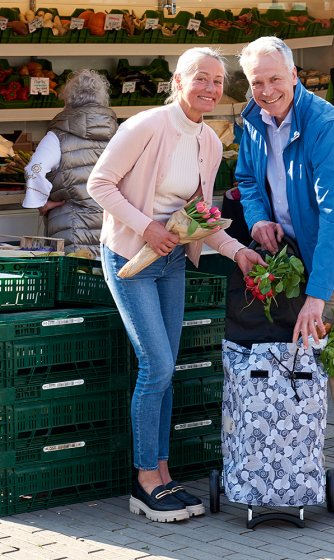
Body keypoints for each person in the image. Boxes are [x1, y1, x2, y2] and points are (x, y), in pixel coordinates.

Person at [87, 47, 264, 524]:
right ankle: (145, 481)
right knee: (157, 365)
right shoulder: (146, 126)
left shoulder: (209, 141)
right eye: (200, 79)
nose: (210, 88)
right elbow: (99, 185)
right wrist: (146, 227)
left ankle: (164, 475)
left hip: (171, 265)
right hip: (130, 258)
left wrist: (238, 252)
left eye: (217, 81)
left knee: (166, 371)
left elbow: (201, 219)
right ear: (178, 82)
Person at [236, 36, 334, 520]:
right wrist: (256, 219)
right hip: (287, 254)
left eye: (275, 79)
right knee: (287, 357)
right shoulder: (252, 120)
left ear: (295, 75)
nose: (266, 90)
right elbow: (249, 180)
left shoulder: (327, 127)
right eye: (257, 82)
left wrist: (318, 294)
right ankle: (294, 469)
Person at [23, 69, 118, 257]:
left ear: (68, 99)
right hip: (113, 228)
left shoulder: (57, 137)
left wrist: (42, 203)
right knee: (106, 283)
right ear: (103, 99)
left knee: (75, 280)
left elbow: (35, 170)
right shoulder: (120, 133)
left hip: (72, 228)